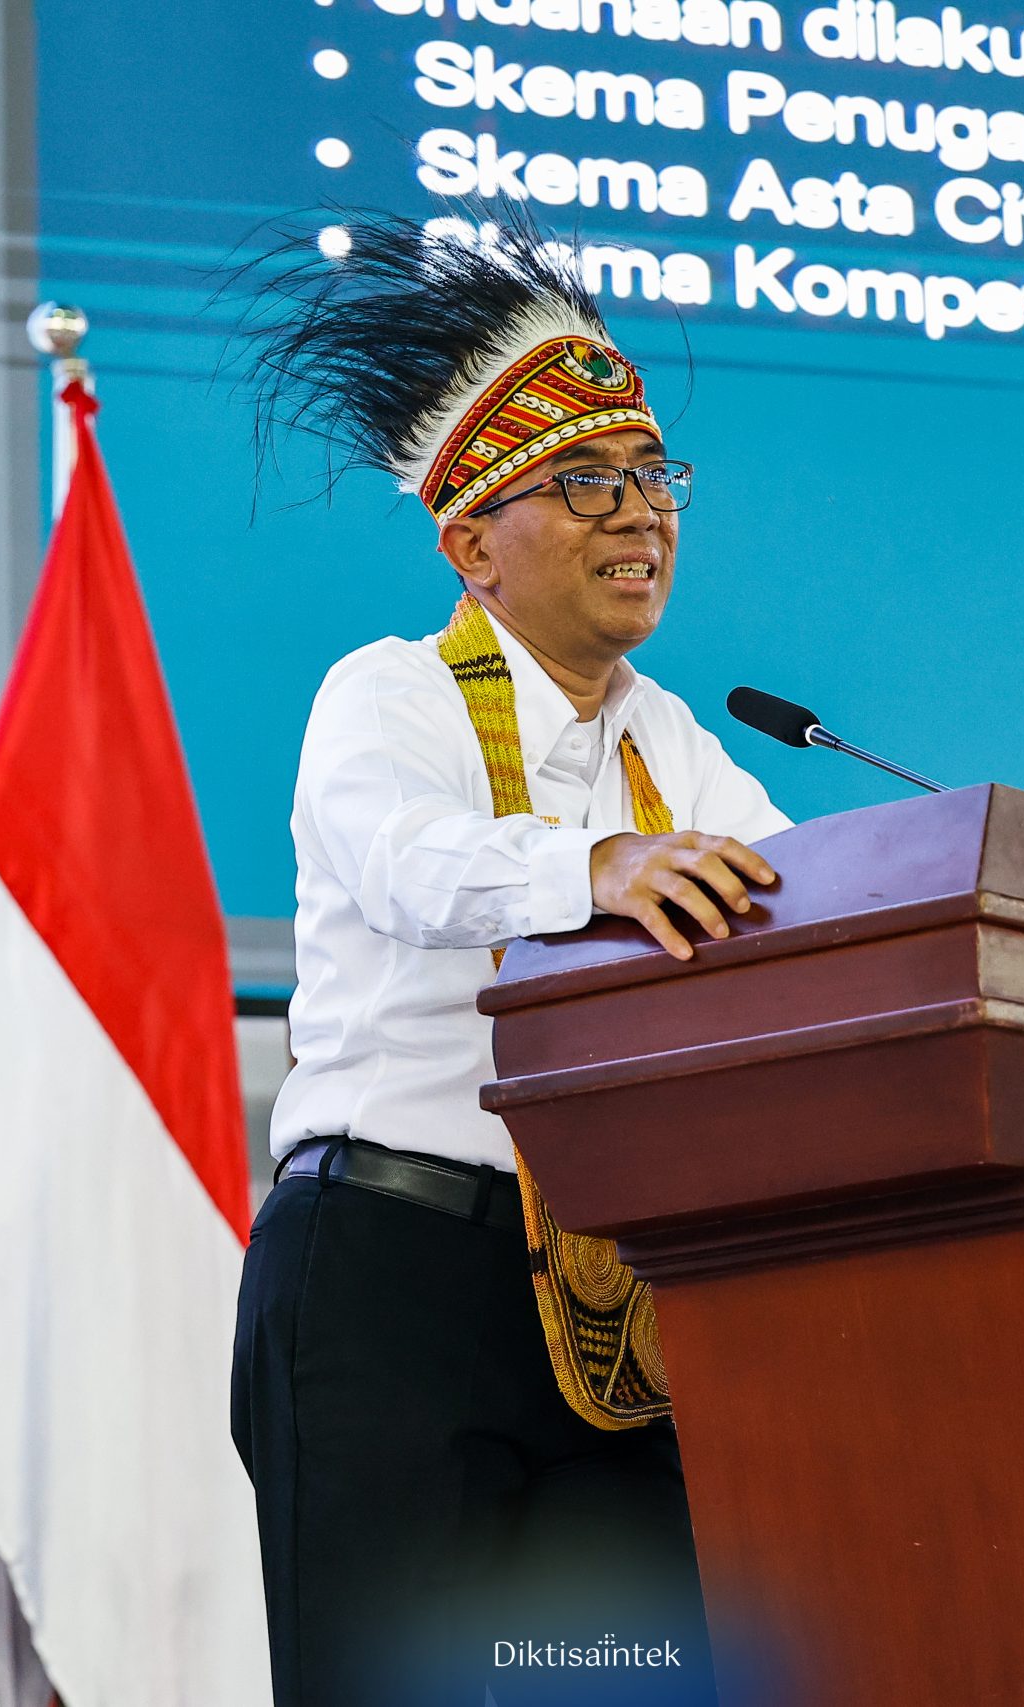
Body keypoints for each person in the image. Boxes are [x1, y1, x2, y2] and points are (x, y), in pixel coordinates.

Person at [230, 212, 790, 1707]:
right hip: (390, 1273)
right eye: (586, 482)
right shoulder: (389, 695)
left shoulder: (677, 743)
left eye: (653, 478)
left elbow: (810, 916)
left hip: (614, 1309)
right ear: (472, 542)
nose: (639, 514)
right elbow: (410, 868)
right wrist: (596, 866)